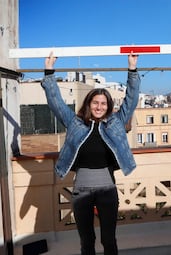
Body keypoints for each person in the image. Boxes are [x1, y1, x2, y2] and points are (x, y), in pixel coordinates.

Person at [41, 52, 140, 255]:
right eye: (95, 102)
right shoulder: (75, 123)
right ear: (88, 104)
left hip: (107, 190)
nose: (99, 107)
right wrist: (49, 72)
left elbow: (131, 99)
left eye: (103, 103)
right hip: (81, 192)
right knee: (87, 241)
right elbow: (56, 103)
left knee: (108, 240)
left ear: (109, 106)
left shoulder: (116, 122)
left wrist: (132, 69)